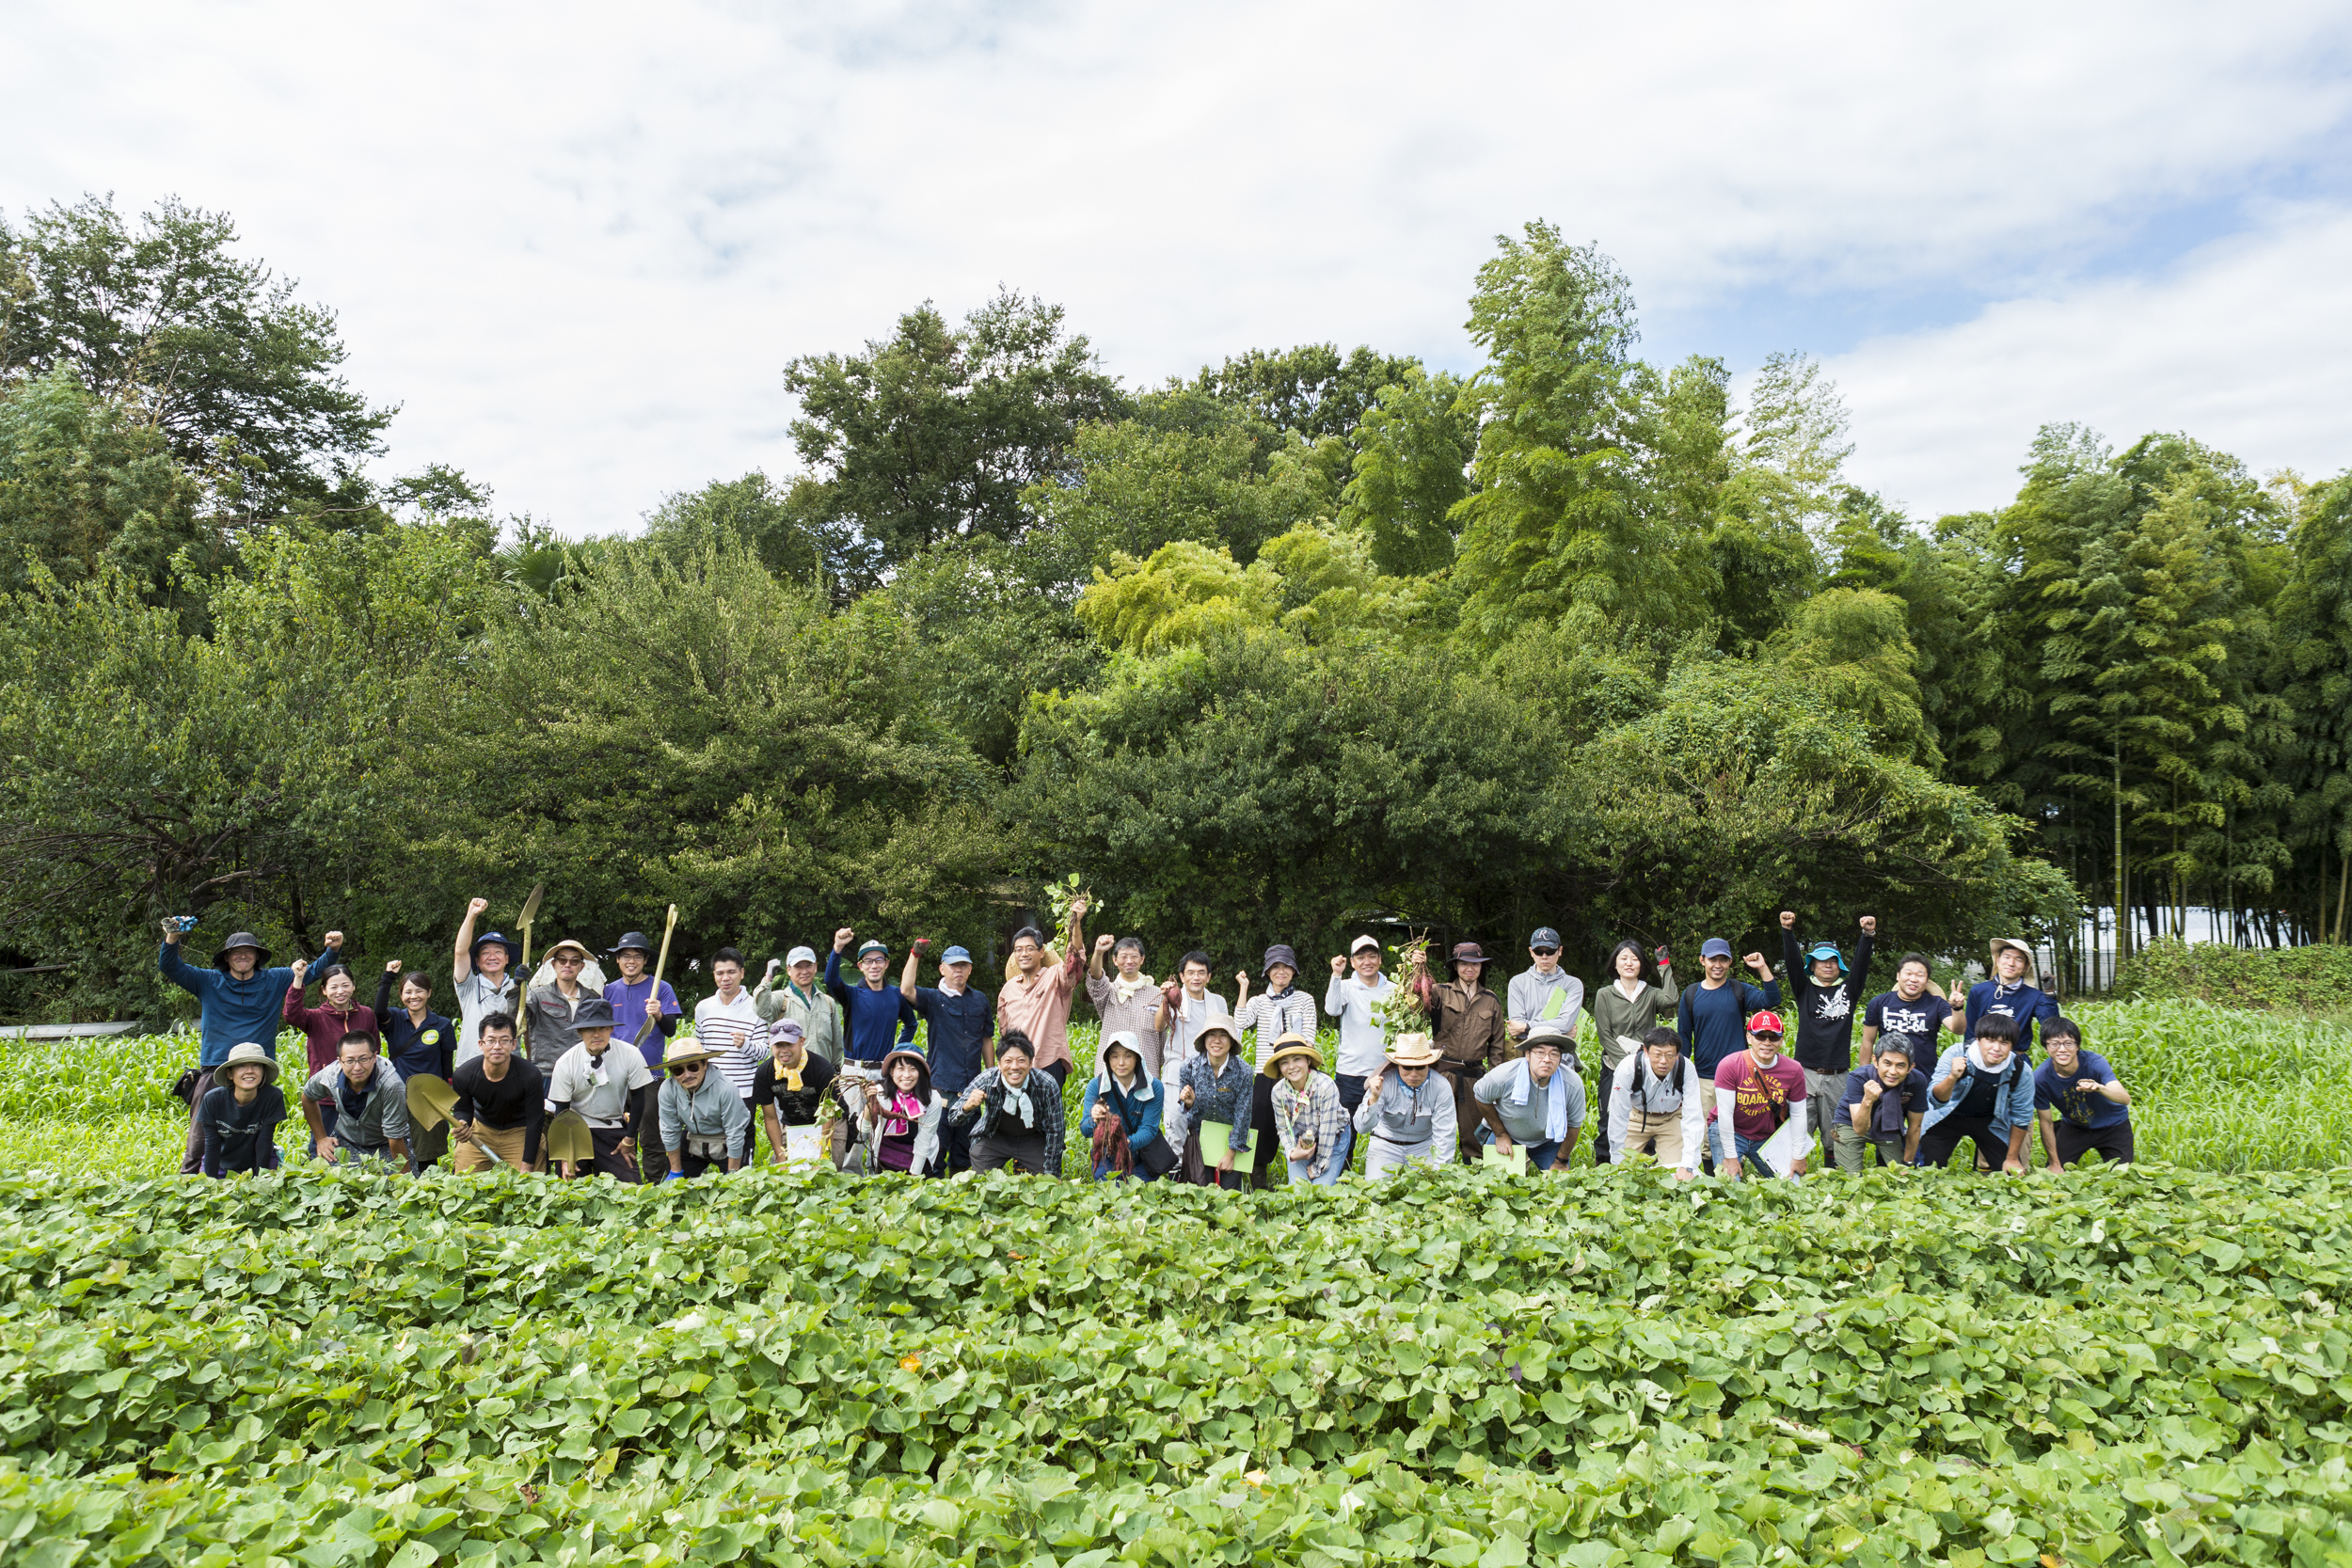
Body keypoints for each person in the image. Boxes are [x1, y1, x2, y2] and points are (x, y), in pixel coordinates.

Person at [159, 920, 342, 1175]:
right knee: (200, 1136)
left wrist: (332, 951)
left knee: (257, 1133)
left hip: (257, 1068)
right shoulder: (208, 980)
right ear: (227, 957)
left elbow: (310, 973)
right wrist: (172, 938)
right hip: (217, 1067)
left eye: (249, 951)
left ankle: (258, 1181)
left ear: (257, 956)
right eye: (236, 952)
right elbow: (170, 967)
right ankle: (189, 1184)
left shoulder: (275, 979)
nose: (242, 955)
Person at [1778, 911, 1876, 1170]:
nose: (1828, 965)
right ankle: (1793, 1180)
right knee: (1799, 1131)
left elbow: (1861, 966)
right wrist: (1787, 931)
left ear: (1839, 965)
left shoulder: (1849, 990)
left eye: (1833, 961)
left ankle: (1834, 1181)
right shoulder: (1804, 989)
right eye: (1822, 962)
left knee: (1835, 1135)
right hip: (1805, 1073)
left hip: (1838, 1075)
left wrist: (1867, 935)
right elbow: (1791, 962)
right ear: (1812, 965)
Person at [901, 941, 994, 1174]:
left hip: (972, 1091)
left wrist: (992, 1074)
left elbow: (986, 1039)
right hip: (939, 1091)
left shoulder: (980, 1000)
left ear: (970, 969)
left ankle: (963, 1203)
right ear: (942, 969)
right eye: (953, 965)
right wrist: (915, 955)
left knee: (966, 1154)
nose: (958, 970)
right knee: (936, 1152)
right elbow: (906, 990)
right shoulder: (932, 998)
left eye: (963, 965)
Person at [1411, 941, 1508, 1164]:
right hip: (1441, 1073)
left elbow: (1497, 1046)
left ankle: (1473, 1180)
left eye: (1475, 964)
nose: (1470, 969)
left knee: (1473, 1136)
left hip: (1474, 1077)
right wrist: (1416, 970)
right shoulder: (1440, 993)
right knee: (1434, 1129)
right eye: (1464, 963)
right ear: (1455, 966)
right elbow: (1414, 1003)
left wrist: (1496, 1082)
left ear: (1482, 967)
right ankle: (1432, 1176)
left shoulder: (1491, 1001)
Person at [547, 995, 657, 1180]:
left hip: (612, 1127)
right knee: (568, 1186)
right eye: (590, 1029)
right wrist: (564, 1156)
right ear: (580, 1031)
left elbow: (638, 1099)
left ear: (611, 1029)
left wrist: (629, 1139)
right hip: (575, 1129)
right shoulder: (566, 1062)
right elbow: (561, 1112)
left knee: (630, 1186)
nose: (596, 1034)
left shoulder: (630, 1054)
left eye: (602, 1028)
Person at [1233, 945, 1318, 1189]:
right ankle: (1260, 1188)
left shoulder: (1305, 999)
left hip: (1298, 1075)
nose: (1281, 971)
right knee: (1260, 1128)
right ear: (1267, 971)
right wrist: (1243, 988)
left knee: (1304, 1126)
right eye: (1275, 967)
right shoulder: (1259, 1001)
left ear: (1294, 970)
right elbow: (1241, 1022)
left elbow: (1309, 1037)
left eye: (1286, 966)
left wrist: (1297, 1068)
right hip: (1265, 1073)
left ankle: (1305, 1182)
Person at [1589, 940, 1679, 1164]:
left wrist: (1664, 965)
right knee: (1608, 1119)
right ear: (1615, 964)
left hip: (1648, 1069)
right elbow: (1605, 1035)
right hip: (1614, 1067)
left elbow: (1671, 999)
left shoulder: (1649, 993)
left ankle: (1645, 1173)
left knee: (1645, 1118)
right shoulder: (1605, 994)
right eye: (1624, 958)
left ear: (1641, 964)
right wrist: (1626, 1065)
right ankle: (1605, 1169)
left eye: (1635, 958)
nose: (1629, 963)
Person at [283, 957, 377, 1157]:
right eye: (333, 987)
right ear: (324, 990)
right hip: (327, 1097)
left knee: (362, 1151)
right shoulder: (316, 1018)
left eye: (345, 985)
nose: (340, 991)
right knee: (323, 1149)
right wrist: (298, 979)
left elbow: (374, 1049)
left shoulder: (367, 1014)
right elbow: (291, 1015)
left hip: (361, 1094)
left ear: (353, 986)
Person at [1917, 1015, 2034, 1174]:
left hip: (1990, 1120)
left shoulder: (2020, 1069)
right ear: (1978, 1040)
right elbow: (1936, 1100)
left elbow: (2021, 1116)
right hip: (1947, 1117)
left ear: (2012, 1046)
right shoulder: (1956, 1053)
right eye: (1991, 1040)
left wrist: (2012, 1158)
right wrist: (1952, 1077)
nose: (1997, 1048)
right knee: (1925, 1171)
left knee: (2011, 1174)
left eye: (2004, 1042)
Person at [373, 961, 454, 1171]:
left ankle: (428, 1190)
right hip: (397, 1093)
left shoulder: (442, 1024)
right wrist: (388, 976)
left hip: (428, 1096)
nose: (413, 996)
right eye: (408, 992)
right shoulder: (395, 1019)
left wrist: (447, 1096)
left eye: (419, 991)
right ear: (401, 995)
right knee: (397, 1147)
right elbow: (378, 1010)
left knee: (427, 1153)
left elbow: (446, 1064)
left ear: (429, 993)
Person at [947, 1034, 1067, 1176]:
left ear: (1030, 1063)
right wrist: (967, 1106)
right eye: (1008, 1061)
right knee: (980, 1172)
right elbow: (953, 1118)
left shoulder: (1047, 1084)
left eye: (1021, 1060)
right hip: (996, 1137)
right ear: (999, 1064)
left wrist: (1052, 1173)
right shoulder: (987, 1079)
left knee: (1047, 1182)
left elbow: (1056, 1130)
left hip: (1033, 1139)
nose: (1015, 1067)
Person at [997, 897, 1088, 1085]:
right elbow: (1004, 1032)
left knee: (1048, 1114)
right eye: (1018, 950)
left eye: (1030, 948)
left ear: (1041, 952)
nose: (1024, 953)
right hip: (1016, 1066)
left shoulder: (1055, 977)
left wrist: (1076, 922)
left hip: (1049, 1062)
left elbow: (1075, 961)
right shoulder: (1009, 988)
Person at [693, 947, 769, 1166]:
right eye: (719, 973)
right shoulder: (703, 1008)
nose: (725, 978)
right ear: (714, 976)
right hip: (709, 1090)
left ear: (742, 973)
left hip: (743, 1091)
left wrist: (745, 1045)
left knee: (741, 1141)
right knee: (710, 1142)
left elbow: (764, 1050)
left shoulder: (756, 1008)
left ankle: (740, 1183)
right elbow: (700, 1048)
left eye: (731, 972)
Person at [1713, 1010, 1810, 1180]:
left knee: (1793, 1186)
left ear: (1781, 1040)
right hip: (1733, 1131)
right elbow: (1725, 1114)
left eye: (1773, 1037)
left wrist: (1798, 1155)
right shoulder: (1730, 1065)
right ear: (1749, 1038)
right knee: (1730, 1186)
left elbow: (1799, 1114)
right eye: (1760, 1036)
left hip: (1766, 1135)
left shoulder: (1794, 1070)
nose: (1767, 1043)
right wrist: (1730, 1157)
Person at [1471, 1033, 1586, 1173]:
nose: (1546, 1059)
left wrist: (1560, 1161)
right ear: (1527, 1054)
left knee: (1560, 1186)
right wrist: (1501, 1134)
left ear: (1560, 1058)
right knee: (1496, 1185)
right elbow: (1481, 1095)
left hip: (1548, 1140)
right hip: (1508, 1134)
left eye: (1554, 1054)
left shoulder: (1572, 1083)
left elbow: (1574, 1124)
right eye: (1540, 1052)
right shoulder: (1505, 1075)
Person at [1604, 1027, 1706, 1180]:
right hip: (1635, 1118)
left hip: (1671, 1119)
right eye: (1657, 1055)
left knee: (1678, 1174)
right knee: (1624, 1173)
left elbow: (1693, 1116)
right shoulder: (1628, 1068)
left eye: (1670, 1055)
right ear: (1646, 1051)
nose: (1663, 1061)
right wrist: (1617, 1164)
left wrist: (1688, 1166)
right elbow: (1618, 1116)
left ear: (1677, 1055)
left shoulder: (1686, 1068)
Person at [2033, 1017, 2135, 1169]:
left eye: (2068, 1043)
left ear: (2077, 1046)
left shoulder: (2095, 1063)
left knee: (2124, 1178)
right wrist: (2054, 1163)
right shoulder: (2040, 1078)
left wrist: (2100, 1088)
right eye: (2054, 1044)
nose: (2062, 1049)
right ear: (2046, 1048)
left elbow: (2124, 1098)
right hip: (2074, 1127)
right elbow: (2046, 1122)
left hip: (2114, 1126)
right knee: (2054, 1176)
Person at [450, 1013, 546, 1173]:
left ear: (514, 1044)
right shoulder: (464, 1074)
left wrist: (527, 1164)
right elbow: (463, 1109)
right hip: (482, 1129)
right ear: (481, 1044)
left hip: (519, 1131)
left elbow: (535, 1120)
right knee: (463, 1179)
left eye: (504, 1041)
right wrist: (462, 1122)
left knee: (530, 1182)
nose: (497, 1047)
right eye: (491, 1040)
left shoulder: (530, 1075)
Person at [299, 1031, 410, 1167]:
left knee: (387, 1182)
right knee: (330, 1179)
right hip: (346, 1139)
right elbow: (307, 1096)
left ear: (374, 1057)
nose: (357, 1067)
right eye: (350, 1061)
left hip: (385, 1142)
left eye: (364, 1059)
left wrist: (404, 1181)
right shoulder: (330, 1076)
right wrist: (321, 1138)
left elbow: (395, 1138)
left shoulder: (392, 1085)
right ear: (340, 1061)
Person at [1353, 1032, 1456, 1179]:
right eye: (1407, 1067)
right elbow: (1361, 1127)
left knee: (1429, 1191)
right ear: (1397, 1065)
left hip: (1423, 1146)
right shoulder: (1383, 1083)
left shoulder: (1441, 1087)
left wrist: (1439, 1175)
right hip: (1385, 1144)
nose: (1413, 1074)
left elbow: (1445, 1136)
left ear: (1429, 1065)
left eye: (1420, 1067)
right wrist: (1373, 1099)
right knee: (1375, 1194)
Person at [1676, 938, 1781, 1080]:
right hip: (1705, 1077)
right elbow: (1684, 1037)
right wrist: (1681, 1076)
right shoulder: (1691, 994)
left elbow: (1772, 999)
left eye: (1723, 960)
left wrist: (1762, 967)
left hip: (1740, 1074)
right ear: (1702, 960)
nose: (1718, 965)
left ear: (1730, 962)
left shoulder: (1739, 990)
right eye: (1712, 959)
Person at [1156, 950, 1230, 1150]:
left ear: (1209, 976)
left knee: (1207, 1126)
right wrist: (1165, 1000)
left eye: (1201, 972)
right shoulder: (1173, 998)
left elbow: (1226, 1037)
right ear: (1182, 976)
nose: (1196, 977)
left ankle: (1204, 1177)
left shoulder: (1219, 1002)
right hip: (1176, 1073)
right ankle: (1176, 1176)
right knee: (1176, 1125)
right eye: (1190, 973)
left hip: (1209, 1073)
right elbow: (1159, 1027)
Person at [1947, 938, 2063, 1062]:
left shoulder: (2034, 996)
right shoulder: (1979, 991)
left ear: (2025, 967)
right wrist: (1970, 1058)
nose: (2011, 963)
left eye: (2018, 959)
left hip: (2016, 1060)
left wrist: (2049, 994)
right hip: (1982, 1059)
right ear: (1997, 961)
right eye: (2006, 957)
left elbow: (2051, 1027)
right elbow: (1970, 1031)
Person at [1079, 1030, 1172, 1181]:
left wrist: (1126, 1143)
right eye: (1115, 1056)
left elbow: (1149, 1129)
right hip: (1108, 1156)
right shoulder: (1096, 1086)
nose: (1121, 1063)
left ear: (1137, 1058)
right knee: (1110, 1193)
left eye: (1128, 1056)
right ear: (1108, 1059)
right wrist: (1094, 1120)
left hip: (1142, 1156)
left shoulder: (1154, 1087)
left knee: (1138, 1195)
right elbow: (1085, 1129)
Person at [1174, 1020, 1255, 1191]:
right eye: (1211, 1034)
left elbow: (1244, 1113)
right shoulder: (1189, 1067)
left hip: (1230, 1138)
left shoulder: (1244, 1071)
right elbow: (1187, 1111)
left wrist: (1231, 1153)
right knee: (1201, 1192)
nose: (1217, 1040)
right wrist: (1190, 1103)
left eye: (1223, 1035)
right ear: (1204, 1039)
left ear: (1232, 1041)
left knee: (1230, 1194)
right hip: (1200, 1139)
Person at [753, 1019, 841, 1168]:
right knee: (785, 1171)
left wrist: (822, 1154)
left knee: (829, 1168)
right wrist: (780, 1156)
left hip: (828, 1122)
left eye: (789, 1044)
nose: (784, 1050)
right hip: (793, 1123)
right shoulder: (764, 1073)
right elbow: (770, 1117)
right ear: (770, 1045)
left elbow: (828, 1113)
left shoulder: (822, 1069)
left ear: (802, 1041)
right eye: (778, 1045)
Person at [1264, 1033, 1350, 1186]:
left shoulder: (1325, 1086)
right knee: (1298, 1191)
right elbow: (1283, 1128)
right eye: (1284, 1062)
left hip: (1334, 1138)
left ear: (1308, 1060)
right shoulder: (1278, 1092)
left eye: (1297, 1059)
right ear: (1279, 1067)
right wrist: (1292, 1152)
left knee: (1320, 1190)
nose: (1291, 1067)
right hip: (1302, 1140)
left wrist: (1318, 1168)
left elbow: (1327, 1132)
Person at [656, 1043, 749, 1180]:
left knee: (740, 1188)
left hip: (729, 1138)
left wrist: (733, 1175)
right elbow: (669, 1130)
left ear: (705, 1064)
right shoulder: (667, 1089)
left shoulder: (726, 1088)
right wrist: (676, 1172)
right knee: (676, 1190)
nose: (687, 1075)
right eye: (678, 1071)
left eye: (693, 1067)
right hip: (693, 1137)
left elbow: (735, 1133)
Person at [1323, 936, 1393, 1116]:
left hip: (1385, 1073)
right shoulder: (1345, 986)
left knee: (1385, 1131)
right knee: (1346, 1134)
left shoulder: (1394, 990)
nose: (1367, 962)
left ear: (1380, 959)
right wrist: (1336, 974)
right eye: (1361, 958)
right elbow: (1332, 1010)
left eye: (1372, 956)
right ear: (1352, 963)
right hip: (1350, 1074)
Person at [849, 1047, 946, 1176]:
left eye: (913, 1069)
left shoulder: (933, 1098)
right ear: (891, 1071)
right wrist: (870, 1103)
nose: (906, 1075)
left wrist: (914, 1178)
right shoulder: (880, 1091)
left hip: (918, 1162)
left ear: (921, 1072)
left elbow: (924, 1140)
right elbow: (863, 1128)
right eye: (900, 1068)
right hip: (884, 1160)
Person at [1833, 1038, 1927, 1172]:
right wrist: (1867, 1101)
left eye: (1900, 1065)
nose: (1893, 1071)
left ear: (1910, 1067)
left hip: (1890, 1125)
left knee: (1900, 1176)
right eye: (1887, 1063)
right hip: (1851, 1123)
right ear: (1875, 1062)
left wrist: (1908, 1163)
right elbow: (1859, 1129)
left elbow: (1915, 1126)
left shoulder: (1917, 1081)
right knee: (1850, 1179)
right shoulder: (1858, 1077)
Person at [826, 930, 918, 1068]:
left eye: (879, 960)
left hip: (884, 1071)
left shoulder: (897, 995)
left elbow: (911, 1024)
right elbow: (831, 980)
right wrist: (838, 947)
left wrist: (896, 1052)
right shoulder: (851, 995)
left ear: (886, 964)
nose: (874, 966)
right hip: (854, 1070)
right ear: (860, 966)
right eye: (868, 961)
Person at [449, 898, 521, 1067]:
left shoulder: (518, 987)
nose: (492, 956)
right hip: (470, 1064)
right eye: (485, 952)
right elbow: (460, 952)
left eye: (498, 951)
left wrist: (520, 987)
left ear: (507, 958)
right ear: (477, 961)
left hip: (508, 1065)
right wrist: (471, 915)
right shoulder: (468, 985)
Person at [197, 1041, 287, 1177]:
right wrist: (210, 1183)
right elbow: (212, 1145)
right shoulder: (213, 1100)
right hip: (222, 1162)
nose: (249, 1071)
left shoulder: (272, 1097)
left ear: (263, 1072)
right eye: (241, 1066)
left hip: (260, 1160)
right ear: (230, 1074)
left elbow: (264, 1142)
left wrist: (259, 1180)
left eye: (256, 1065)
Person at [755, 945, 848, 1064]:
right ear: (789, 970)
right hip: (788, 1076)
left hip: (823, 1076)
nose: (804, 972)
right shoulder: (780, 998)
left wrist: (835, 1071)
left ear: (815, 967)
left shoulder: (828, 1002)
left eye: (808, 966)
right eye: (798, 967)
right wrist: (768, 977)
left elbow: (837, 1044)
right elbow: (761, 1010)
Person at [1087, 935, 1166, 1074]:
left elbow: (1162, 1036)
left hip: (1146, 1071)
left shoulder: (1158, 994)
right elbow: (1095, 977)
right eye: (1123, 957)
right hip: (1110, 1073)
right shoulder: (1108, 991)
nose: (1129, 961)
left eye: (1134, 956)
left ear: (1142, 959)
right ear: (1115, 961)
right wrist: (1098, 952)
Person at [521, 938, 600, 1077]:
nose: (568, 965)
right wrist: (518, 987)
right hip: (547, 1072)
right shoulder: (537, 996)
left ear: (582, 966)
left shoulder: (593, 998)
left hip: (583, 1072)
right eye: (562, 960)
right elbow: (513, 1017)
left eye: (574, 961)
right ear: (554, 964)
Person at [605, 930, 682, 1068]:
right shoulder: (608, 991)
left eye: (638, 957)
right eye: (626, 956)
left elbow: (671, 1031)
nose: (631, 961)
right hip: (616, 1068)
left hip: (650, 1070)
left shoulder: (661, 988)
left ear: (646, 960)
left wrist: (658, 1014)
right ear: (618, 959)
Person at [1862, 953, 1953, 1069]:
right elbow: (1867, 1042)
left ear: (1927, 980)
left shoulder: (1937, 1003)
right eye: (1908, 974)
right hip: (1888, 1075)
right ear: (1898, 976)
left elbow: (1956, 1028)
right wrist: (1863, 1074)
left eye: (1920, 975)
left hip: (1925, 1076)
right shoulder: (1879, 1002)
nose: (1913, 979)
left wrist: (1957, 1008)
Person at [1506, 927, 1584, 1051]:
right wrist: (1560, 1033)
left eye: (1550, 951)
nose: (1544, 956)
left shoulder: (1573, 984)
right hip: (1526, 1053)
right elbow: (1516, 1029)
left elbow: (1565, 1023)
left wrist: (1526, 1026)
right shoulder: (1517, 982)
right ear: (1531, 952)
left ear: (1560, 951)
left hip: (1561, 1054)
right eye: (1539, 951)